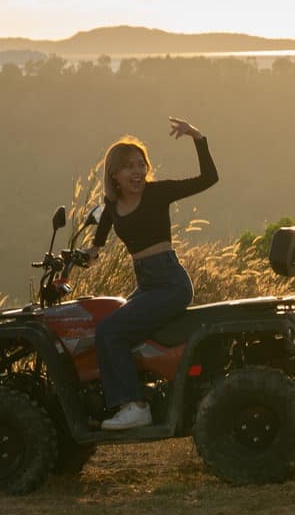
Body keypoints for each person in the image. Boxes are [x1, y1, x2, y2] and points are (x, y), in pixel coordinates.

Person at [85, 116, 218, 430]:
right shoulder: (112, 205)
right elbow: (102, 232)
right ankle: (123, 397)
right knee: (100, 328)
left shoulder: (157, 193)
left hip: (170, 283)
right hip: (146, 283)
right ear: (114, 174)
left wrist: (197, 137)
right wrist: (92, 251)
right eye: (129, 166)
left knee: (110, 332)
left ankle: (134, 405)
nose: (137, 171)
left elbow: (208, 178)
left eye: (141, 164)